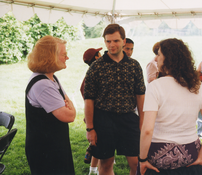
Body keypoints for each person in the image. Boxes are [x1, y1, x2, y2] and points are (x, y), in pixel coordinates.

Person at [138, 38, 202, 175]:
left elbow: (147, 130)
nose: (156, 59)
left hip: (158, 155)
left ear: (168, 58)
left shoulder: (154, 86)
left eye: (159, 55)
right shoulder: (198, 86)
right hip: (190, 153)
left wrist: (142, 159)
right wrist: (201, 157)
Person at [84, 24, 146, 175]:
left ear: (124, 41)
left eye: (116, 41)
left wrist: (142, 122)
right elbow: (88, 99)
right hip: (104, 120)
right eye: (108, 41)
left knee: (136, 165)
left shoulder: (134, 66)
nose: (112, 45)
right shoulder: (96, 67)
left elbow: (140, 95)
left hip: (129, 119)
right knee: (105, 165)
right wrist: (90, 128)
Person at [25, 35, 76, 175]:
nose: (67, 58)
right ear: (50, 57)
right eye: (64, 54)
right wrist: (70, 106)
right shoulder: (43, 84)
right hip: (45, 150)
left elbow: (68, 106)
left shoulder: (51, 78)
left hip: (53, 146)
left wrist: (69, 105)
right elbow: (69, 116)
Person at [80, 47, 102, 175]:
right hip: (97, 115)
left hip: (93, 115)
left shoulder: (89, 73)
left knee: (96, 145)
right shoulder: (93, 74)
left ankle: (92, 171)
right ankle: (96, 171)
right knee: (99, 146)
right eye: (99, 53)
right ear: (96, 57)